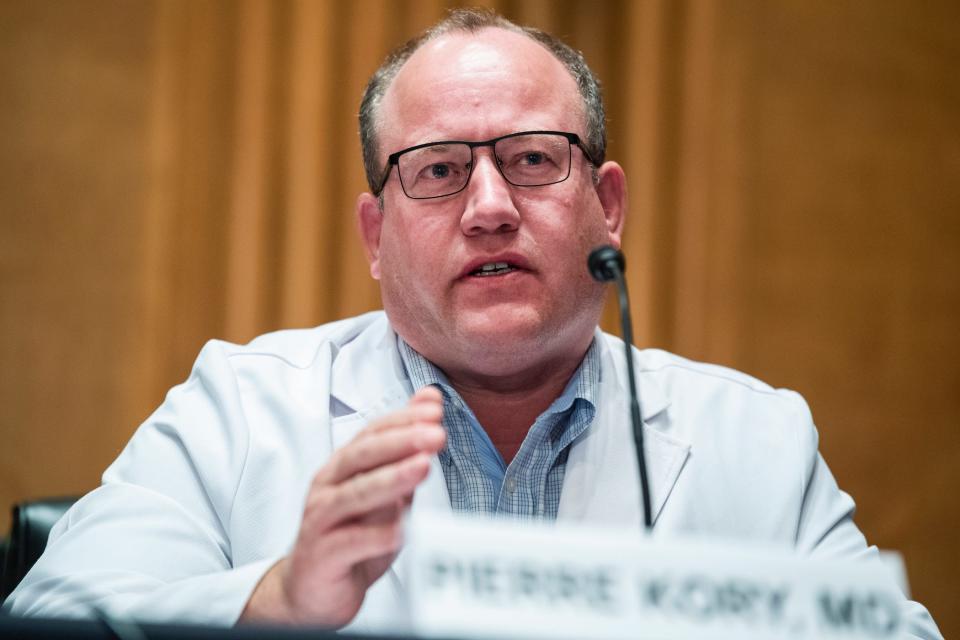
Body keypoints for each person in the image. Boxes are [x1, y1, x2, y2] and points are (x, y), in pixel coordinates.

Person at [4, 9, 942, 639]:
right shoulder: (240, 408)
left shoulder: (758, 441)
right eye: (440, 170)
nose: (490, 206)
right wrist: (275, 602)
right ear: (376, 234)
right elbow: (52, 616)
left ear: (606, 206)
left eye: (535, 159)